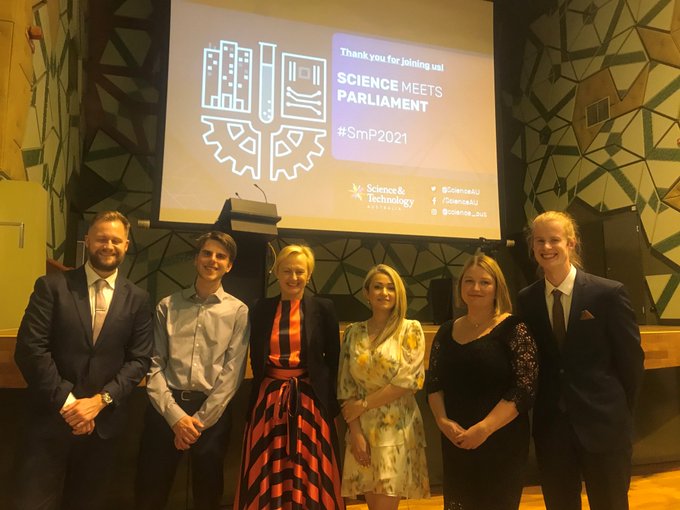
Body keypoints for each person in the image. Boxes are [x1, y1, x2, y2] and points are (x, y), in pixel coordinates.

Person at [12, 210, 153, 510]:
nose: (108, 245)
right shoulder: (52, 286)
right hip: (49, 422)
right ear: (87, 240)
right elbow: (30, 349)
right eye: (101, 238)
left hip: (103, 427)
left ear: (127, 245)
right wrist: (70, 405)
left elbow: (139, 360)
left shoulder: (138, 299)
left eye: (116, 240)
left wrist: (99, 402)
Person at [517, 211, 645, 510]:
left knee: (611, 503)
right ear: (532, 247)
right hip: (552, 428)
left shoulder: (608, 293)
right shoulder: (527, 299)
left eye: (554, 239)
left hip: (604, 424)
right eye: (539, 241)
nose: (547, 247)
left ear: (571, 243)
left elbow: (631, 362)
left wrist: (619, 411)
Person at [135, 231, 250, 510]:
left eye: (220, 256)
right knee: (150, 490)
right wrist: (176, 418)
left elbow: (232, 372)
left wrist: (198, 422)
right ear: (196, 258)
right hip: (165, 409)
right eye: (207, 253)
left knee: (208, 494)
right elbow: (155, 364)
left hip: (212, 414)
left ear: (229, 265)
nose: (213, 260)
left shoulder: (238, 311)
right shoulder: (167, 305)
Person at [235, 244, 344, 509]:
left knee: (308, 465)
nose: (293, 277)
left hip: (310, 402)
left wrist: (330, 406)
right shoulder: (261, 308)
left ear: (309, 275)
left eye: (300, 271)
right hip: (268, 402)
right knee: (268, 464)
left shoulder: (323, 307)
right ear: (276, 272)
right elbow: (255, 355)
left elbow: (334, 358)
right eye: (287, 271)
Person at [426, 254, 538, 510]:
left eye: (485, 282)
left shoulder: (514, 328)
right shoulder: (446, 330)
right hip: (457, 441)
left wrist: (484, 428)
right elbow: (434, 383)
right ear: (460, 287)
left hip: (501, 441)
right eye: (469, 281)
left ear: (497, 287)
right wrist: (443, 422)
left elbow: (524, 389)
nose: (476, 288)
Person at [338, 264, 430, 510]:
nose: (384, 293)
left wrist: (364, 404)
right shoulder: (352, 332)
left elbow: (408, 381)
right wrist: (355, 433)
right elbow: (345, 385)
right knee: (372, 505)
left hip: (397, 428)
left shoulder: (410, 328)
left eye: (391, 288)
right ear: (366, 293)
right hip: (362, 429)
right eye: (377, 287)